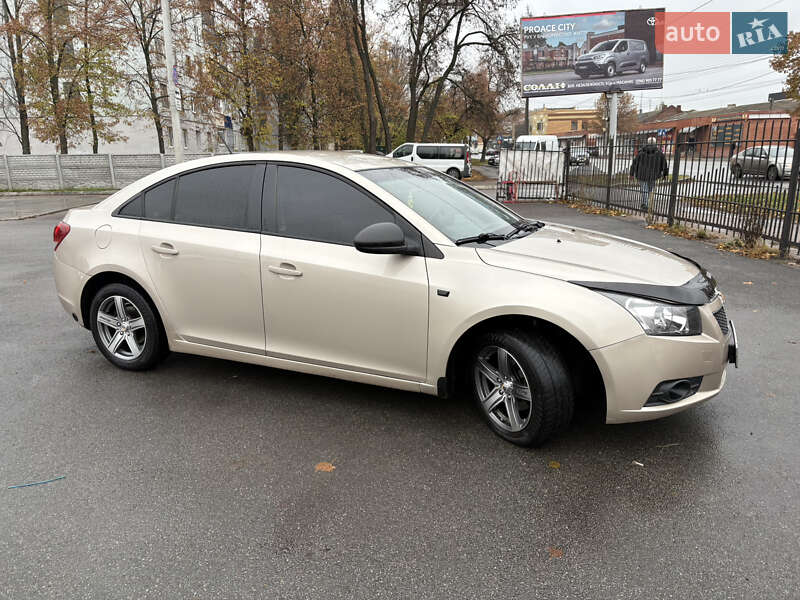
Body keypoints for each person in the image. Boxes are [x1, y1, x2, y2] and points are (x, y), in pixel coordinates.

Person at [629, 137, 669, 210]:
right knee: (649, 189)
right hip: (654, 175)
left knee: (644, 189)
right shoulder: (659, 153)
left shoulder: (640, 153)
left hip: (642, 174)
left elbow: (634, 164)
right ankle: (645, 203)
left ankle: (645, 204)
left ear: (647, 143)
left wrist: (632, 174)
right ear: (655, 143)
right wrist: (665, 174)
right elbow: (664, 164)